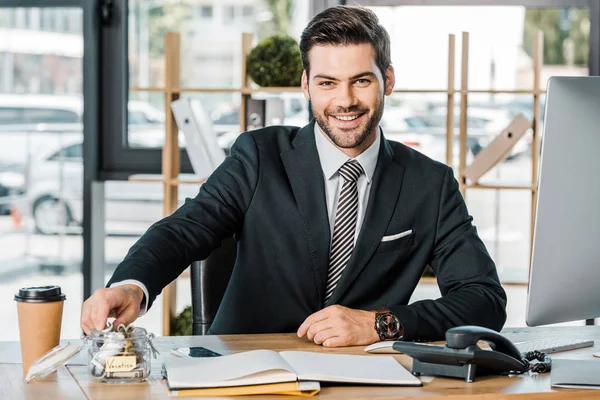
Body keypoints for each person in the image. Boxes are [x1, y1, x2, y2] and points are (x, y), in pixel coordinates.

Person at [81, 5, 507, 347]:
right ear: (306, 85)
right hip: (244, 369)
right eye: (327, 82)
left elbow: (484, 299)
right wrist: (133, 286)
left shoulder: (429, 184)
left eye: (361, 81)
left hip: (365, 378)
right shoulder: (259, 155)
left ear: (388, 80)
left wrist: (381, 323)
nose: (345, 101)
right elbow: (186, 228)